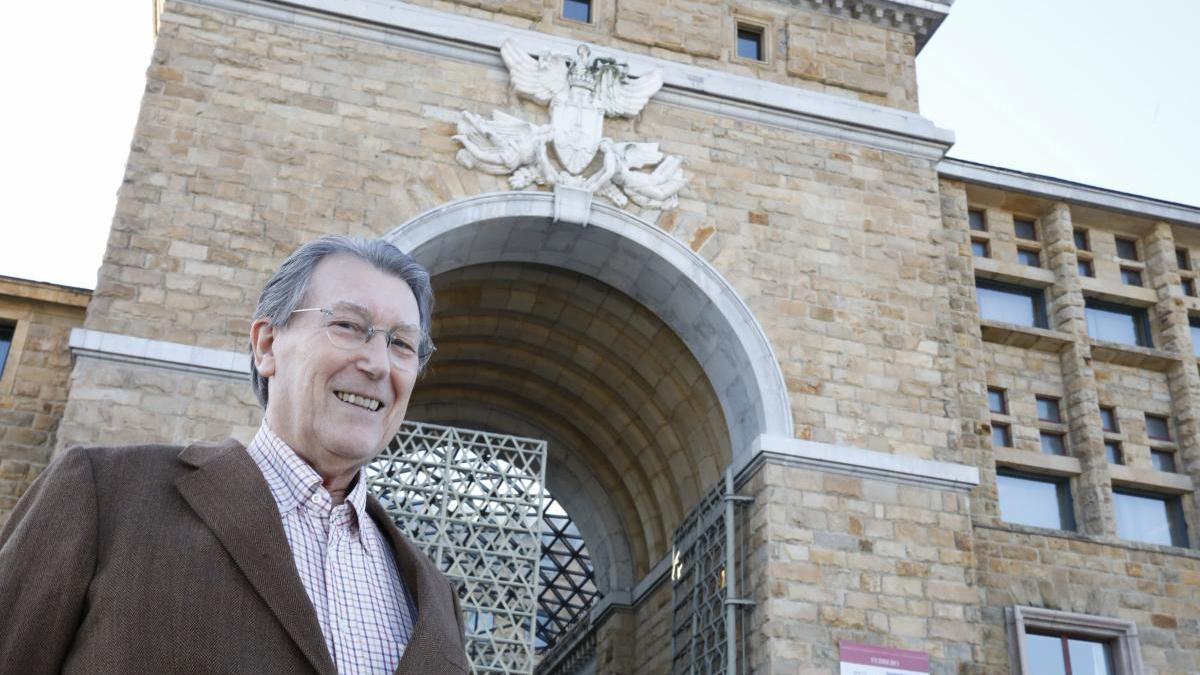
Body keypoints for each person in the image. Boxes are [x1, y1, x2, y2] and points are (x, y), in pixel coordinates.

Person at [0, 236, 469, 674]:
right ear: (267, 345)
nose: (378, 363)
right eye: (348, 326)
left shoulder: (437, 598)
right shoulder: (104, 495)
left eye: (402, 344)